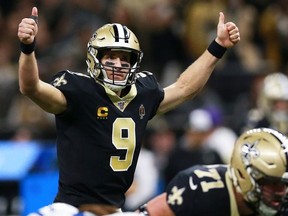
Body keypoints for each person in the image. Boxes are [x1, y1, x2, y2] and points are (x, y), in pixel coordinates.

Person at [17, 6, 240, 213]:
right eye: (111, 56)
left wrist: (217, 47)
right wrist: (28, 48)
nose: (119, 64)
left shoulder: (142, 93)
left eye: (125, 58)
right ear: (95, 59)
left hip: (114, 210)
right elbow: (31, 87)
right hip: (70, 207)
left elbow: (184, 88)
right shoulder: (79, 91)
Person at [133, 127, 288, 216]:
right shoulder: (202, 189)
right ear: (243, 175)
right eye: (271, 183)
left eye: (284, 184)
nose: (281, 192)